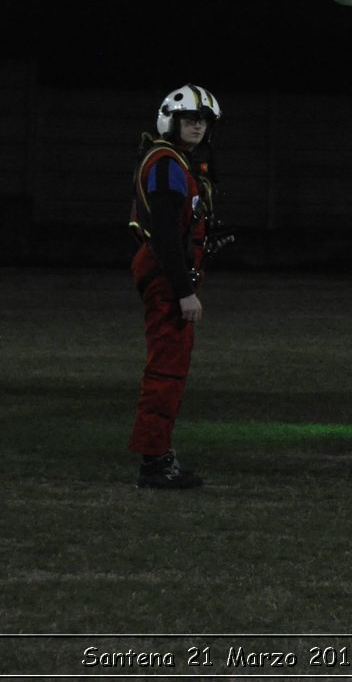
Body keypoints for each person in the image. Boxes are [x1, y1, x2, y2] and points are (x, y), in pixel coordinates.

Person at [127, 84, 223, 489]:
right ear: (172, 120)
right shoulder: (167, 163)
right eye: (190, 119)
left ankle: (159, 454)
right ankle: (154, 462)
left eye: (202, 120)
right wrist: (185, 291)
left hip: (168, 277)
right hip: (168, 282)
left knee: (170, 370)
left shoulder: (177, 164)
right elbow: (165, 233)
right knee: (166, 371)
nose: (197, 126)